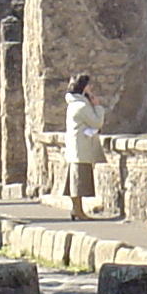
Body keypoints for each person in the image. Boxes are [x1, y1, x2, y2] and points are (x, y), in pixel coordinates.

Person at [63, 72, 104, 222]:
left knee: (76, 179)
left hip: (76, 146)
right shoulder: (81, 106)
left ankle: (77, 209)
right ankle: (77, 210)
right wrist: (97, 106)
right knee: (78, 180)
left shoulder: (74, 104)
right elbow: (96, 122)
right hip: (80, 146)